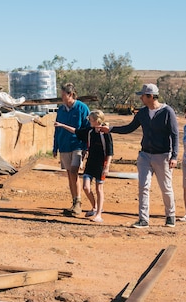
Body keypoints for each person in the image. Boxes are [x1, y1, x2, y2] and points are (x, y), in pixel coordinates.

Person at [99, 83, 179, 228]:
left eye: (142, 95)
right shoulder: (142, 113)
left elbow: (175, 135)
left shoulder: (168, 112)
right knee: (143, 186)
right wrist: (110, 129)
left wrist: (174, 156)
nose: (140, 98)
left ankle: (170, 216)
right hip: (145, 155)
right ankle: (143, 219)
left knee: (166, 187)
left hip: (163, 156)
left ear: (150, 96)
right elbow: (129, 128)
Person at [56, 110, 114, 222]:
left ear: (97, 121)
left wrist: (107, 167)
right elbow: (76, 131)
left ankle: (98, 214)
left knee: (99, 188)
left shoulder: (105, 133)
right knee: (86, 187)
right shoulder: (89, 132)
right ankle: (95, 207)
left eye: (91, 120)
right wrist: (62, 125)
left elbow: (110, 152)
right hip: (90, 163)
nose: (89, 122)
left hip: (101, 164)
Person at [53, 82, 90, 217]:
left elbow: (88, 128)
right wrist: (55, 146)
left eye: (64, 95)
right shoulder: (61, 110)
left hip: (78, 144)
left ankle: (78, 202)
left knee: (74, 171)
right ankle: (74, 201)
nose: (62, 98)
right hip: (64, 145)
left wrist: (86, 146)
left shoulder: (82, 108)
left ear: (71, 94)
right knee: (70, 174)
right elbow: (56, 129)